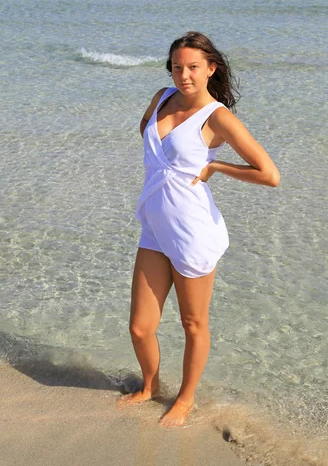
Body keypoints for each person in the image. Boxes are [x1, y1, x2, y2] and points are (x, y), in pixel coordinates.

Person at [118, 31, 280, 427]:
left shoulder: (218, 117)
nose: (184, 75)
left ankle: (186, 399)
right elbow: (146, 133)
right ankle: (150, 385)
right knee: (140, 327)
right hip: (154, 226)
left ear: (211, 69)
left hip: (192, 231)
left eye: (192, 67)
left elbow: (270, 174)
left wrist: (215, 167)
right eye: (177, 66)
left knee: (193, 323)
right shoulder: (161, 97)